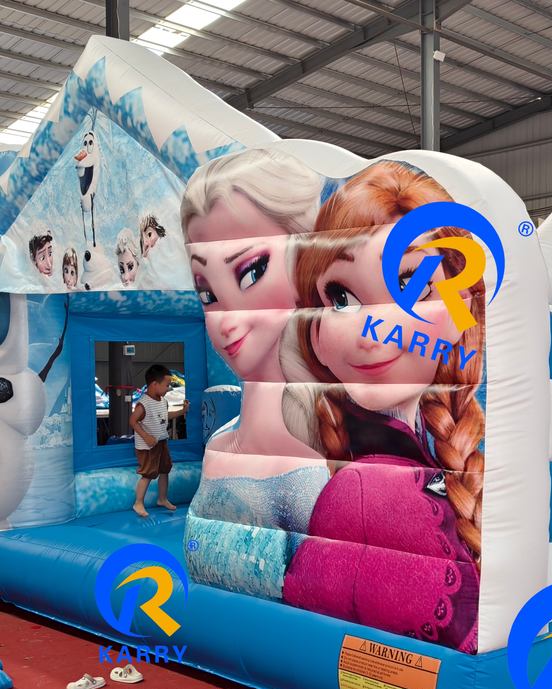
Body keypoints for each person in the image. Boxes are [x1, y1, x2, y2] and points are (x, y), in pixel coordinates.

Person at [280, 160, 485, 653]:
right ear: (314, 331)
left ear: (460, 309)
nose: (371, 334)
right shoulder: (367, 488)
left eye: (412, 286)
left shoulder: (418, 464)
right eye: (341, 298)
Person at [181, 147, 325, 472]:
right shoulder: (220, 444)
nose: (227, 322)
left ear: (302, 258)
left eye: (252, 272)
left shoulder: (336, 440)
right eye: (207, 293)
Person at [130, 364, 187, 517]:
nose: (168, 388)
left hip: (161, 442)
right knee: (148, 474)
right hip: (147, 446)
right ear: (154, 384)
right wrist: (146, 436)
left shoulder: (163, 401)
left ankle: (162, 499)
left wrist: (182, 411)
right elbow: (133, 421)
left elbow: (165, 416)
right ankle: (138, 503)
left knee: (164, 470)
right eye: (166, 385)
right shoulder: (144, 403)